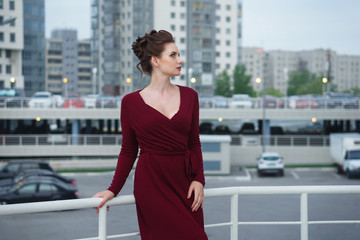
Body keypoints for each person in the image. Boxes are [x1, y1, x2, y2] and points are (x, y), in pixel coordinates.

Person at [93, 29, 208, 240]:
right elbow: (128, 150)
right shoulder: (130, 103)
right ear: (155, 60)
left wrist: (199, 179)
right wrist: (113, 189)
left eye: (178, 54)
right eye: (173, 55)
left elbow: (194, 142)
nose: (179, 60)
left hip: (185, 185)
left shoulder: (191, 96)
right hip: (152, 185)